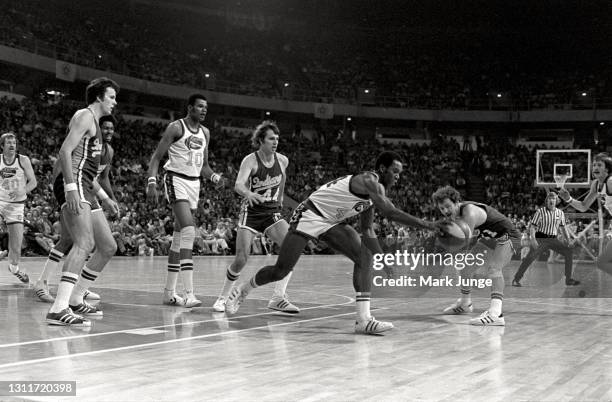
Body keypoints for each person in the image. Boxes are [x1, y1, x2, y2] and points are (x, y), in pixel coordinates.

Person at [225, 151, 441, 335]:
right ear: (383, 168)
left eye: (399, 174)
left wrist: (382, 260)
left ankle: (363, 320)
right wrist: (427, 224)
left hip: (330, 221)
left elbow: (367, 229)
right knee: (281, 270)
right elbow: (390, 212)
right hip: (310, 214)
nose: (398, 177)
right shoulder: (369, 181)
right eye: (395, 172)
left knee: (364, 257)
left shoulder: (375, 194)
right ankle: (243, 289)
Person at [46, 77, 119, 327]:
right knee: (83, 242)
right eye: (111, 97)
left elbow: (89, 171)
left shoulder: (95, 123)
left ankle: (76, 298)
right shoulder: (85, 116)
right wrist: (70, 188)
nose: (115, 102)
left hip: (85, 184)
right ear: (99, 97)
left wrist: (104, 198)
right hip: (74, 182)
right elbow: (65, 152)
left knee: (108, 246)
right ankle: (58, 308)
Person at [146, 94, 225, 308]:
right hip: (175, 179)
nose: (203, 110)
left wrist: (215, 177)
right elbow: (156, 157)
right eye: (200, 106)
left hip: (195, 184)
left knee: (179, 238)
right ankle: (189, 293)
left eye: (206, 107)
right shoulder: (176, 127)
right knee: (189, 231)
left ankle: (169, 293)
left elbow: (204, 166)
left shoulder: (206, 133)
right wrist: (151, 182)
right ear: (190, 108)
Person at [213, 121, 298, 314]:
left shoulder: (282, 160)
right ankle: (222, 298)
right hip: (251, 212)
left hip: (271, 212)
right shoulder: (250, 160)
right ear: (261, 140)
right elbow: (238, 184)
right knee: (242, 258)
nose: (275, 142)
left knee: (291, 248)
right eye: (271, 138)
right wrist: (248, 194)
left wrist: (280, 200)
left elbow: (282, 182)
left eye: (277, 139)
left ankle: (278, 298)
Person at [35, 114, 119, 303]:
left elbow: (101, 178)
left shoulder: (108, 151)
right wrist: (61, 192)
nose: (108, 131)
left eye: (111, 128)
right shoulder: (85, 140)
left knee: (91, 242)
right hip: (71, 187)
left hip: (88, 188)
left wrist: (110, 198)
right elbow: (64, 165)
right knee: (71, 240)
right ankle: (43, 283)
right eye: (105, 127)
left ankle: (76, 288)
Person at [433, 185, 520, 326]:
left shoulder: (469, 212)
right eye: (442, 208)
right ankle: (465, 303)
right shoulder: (455, 217)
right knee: (465, 266)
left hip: (508, 235)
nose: (445, 211)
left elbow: (462, 244)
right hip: (490, 238)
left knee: (494, 269)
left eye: (448, 206)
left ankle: (496, 313)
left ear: (456, 202)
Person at [512, 192, 579, 287]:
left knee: (568, 251)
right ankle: (516, 279)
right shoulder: (540, 212)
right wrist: (533, 239)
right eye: (549, 199)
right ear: (546, 201)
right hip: (541, 238)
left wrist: (568, 241)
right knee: (529, 258)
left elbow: (563, 228)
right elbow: (532, 227)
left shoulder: (560, 213)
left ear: (556, 201)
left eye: (553, 199)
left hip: (553, 239)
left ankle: (568, 279)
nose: (551, 200)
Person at [559, 153, 612, 263]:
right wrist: (569, 199)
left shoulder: (610, 182)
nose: (595, 167)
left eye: (599, 165)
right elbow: (583, 207)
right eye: (594, 165)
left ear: (607, 169)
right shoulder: (596, 184)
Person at [0, 132, 38, 283]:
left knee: (16, 247)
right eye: (8, 143)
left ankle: (14, 268)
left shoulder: (23, 160)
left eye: (14, 143)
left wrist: (22, 191)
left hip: (16, 206)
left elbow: (33, 182)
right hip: (0, 201)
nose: (12, 145)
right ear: (2, 146)